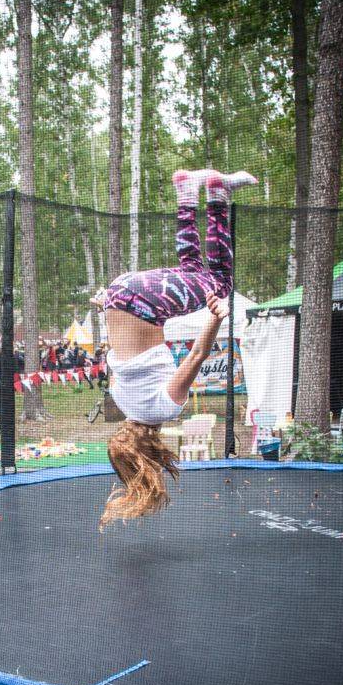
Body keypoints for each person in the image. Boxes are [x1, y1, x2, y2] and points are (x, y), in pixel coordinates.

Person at [96, 168, 257, 530]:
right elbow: (120, 352)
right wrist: (104, 307)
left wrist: (215, 317)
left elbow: (197, 356)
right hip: (117, 295)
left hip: (145, 302)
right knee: (194, 270)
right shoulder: (120, 401)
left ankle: (215, 192)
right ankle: (194, 191)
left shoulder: (163, 408)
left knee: (219, 283)